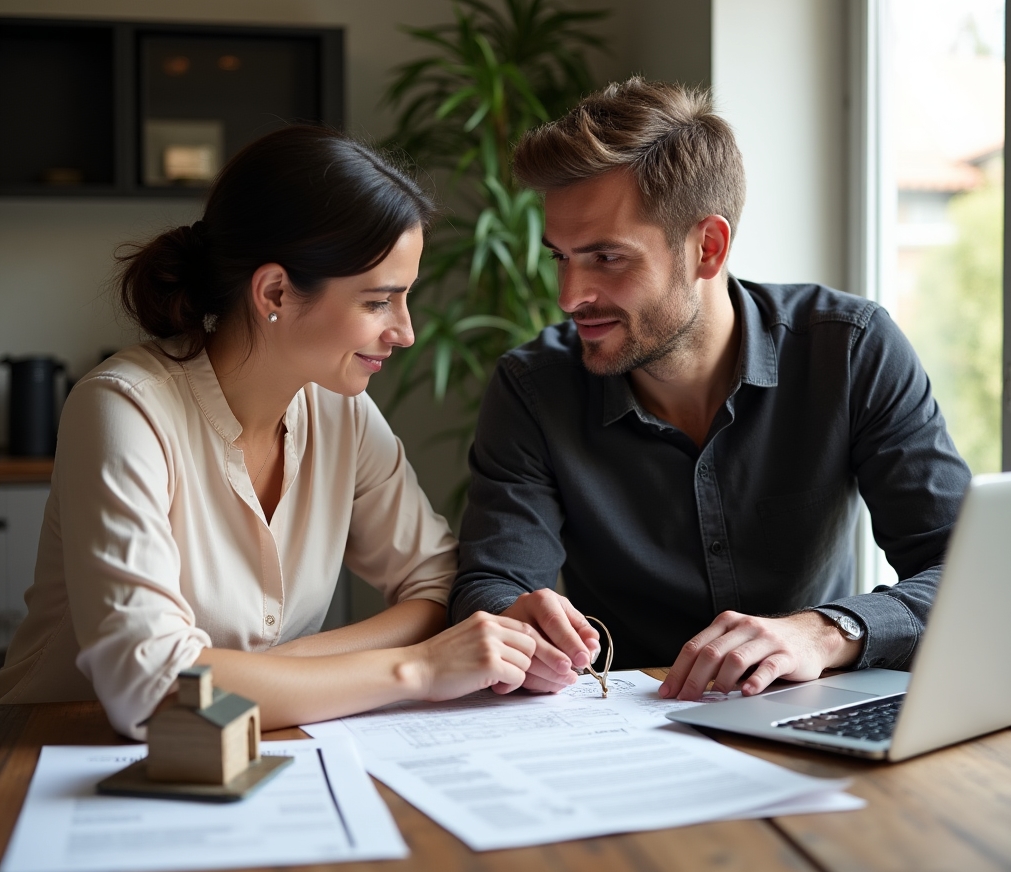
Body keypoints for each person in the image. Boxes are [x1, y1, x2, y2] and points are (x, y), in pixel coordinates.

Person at [0, 126, 578, 739]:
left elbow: (436, 584)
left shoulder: (340, 412)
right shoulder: (122, 410)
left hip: (259, 747)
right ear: (275, 291)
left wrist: (260, 672)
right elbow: (149, 690)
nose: (405, 332)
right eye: (379, 301)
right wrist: (416, 669)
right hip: (60, 752)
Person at [450, 78, 973, 703]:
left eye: (607, 259)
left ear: (708, 247)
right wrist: (515, 618)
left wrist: (825, 632)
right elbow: (489, 582)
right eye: (561, 257)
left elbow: (971, 576)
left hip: (812, 713)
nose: (569, 297)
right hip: (625, 724)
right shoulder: (533, 389)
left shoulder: (850, 350)